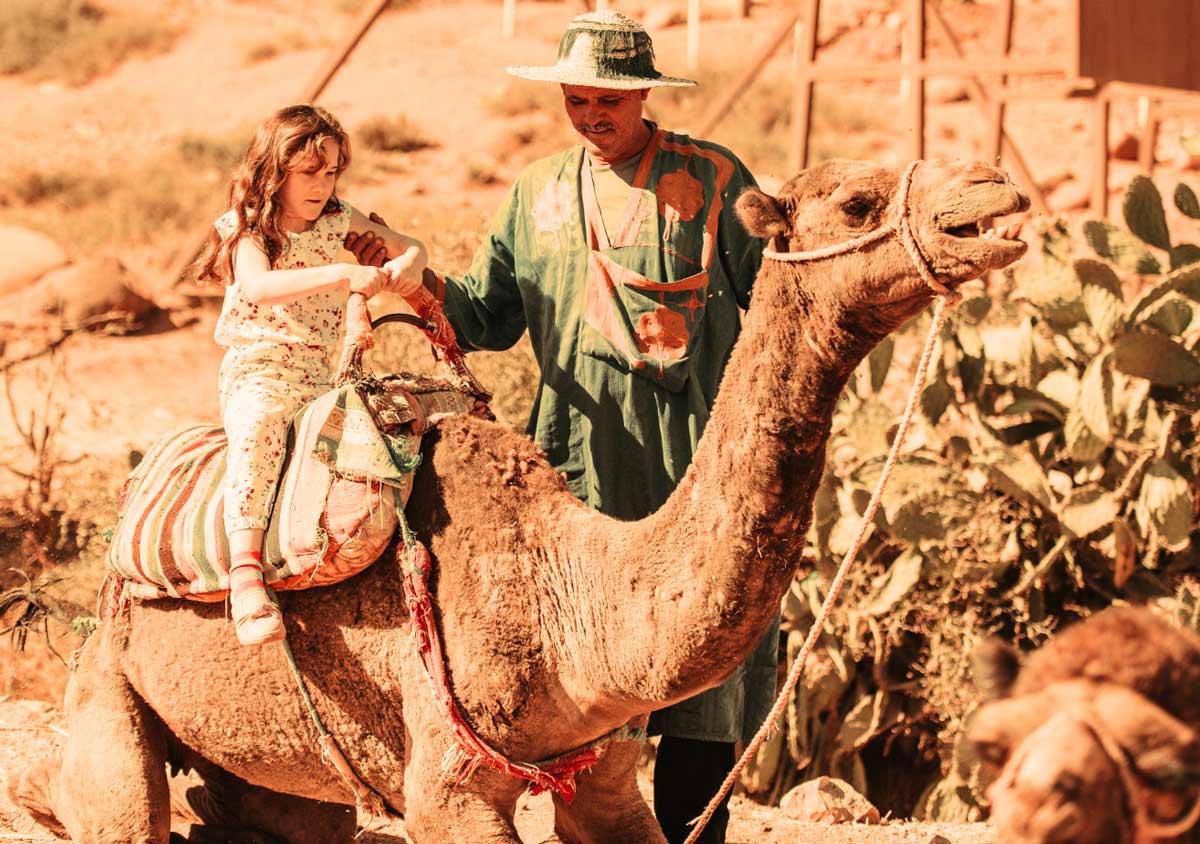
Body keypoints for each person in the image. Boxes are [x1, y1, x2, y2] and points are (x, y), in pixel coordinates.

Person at [347, 12, 777, 843]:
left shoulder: (714, 178)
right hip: (578, 477)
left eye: (607, 101)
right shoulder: (536, 191)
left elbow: (777, 303)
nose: (590, 116)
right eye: (576, 101)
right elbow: (480, 317)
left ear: (644, 93)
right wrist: (407, 268)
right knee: (583, 689)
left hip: (696, 469)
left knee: (705, 685)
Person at [195, 104, 428, 647]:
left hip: (322, 372)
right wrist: (347, 271)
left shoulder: (336, 219)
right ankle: (246, 574)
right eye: (309, 172)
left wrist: (402, 265)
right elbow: (257, 287)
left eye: (331, 173)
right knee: (260, 431)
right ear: (274, 171)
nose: (322, 185)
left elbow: (409, 248)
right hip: (261, 367)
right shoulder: (249, 230)